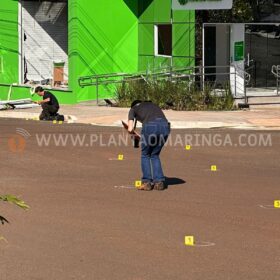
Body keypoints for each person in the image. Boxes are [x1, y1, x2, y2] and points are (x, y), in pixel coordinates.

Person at [128, 100, 170, 191]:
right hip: (165, 126)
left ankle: (146, 182)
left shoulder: (133, 109)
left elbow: (130, 128)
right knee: (155, 155)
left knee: (145, 154)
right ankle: (159, 182)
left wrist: (138, 137)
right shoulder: (153, 105)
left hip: (150, 126)